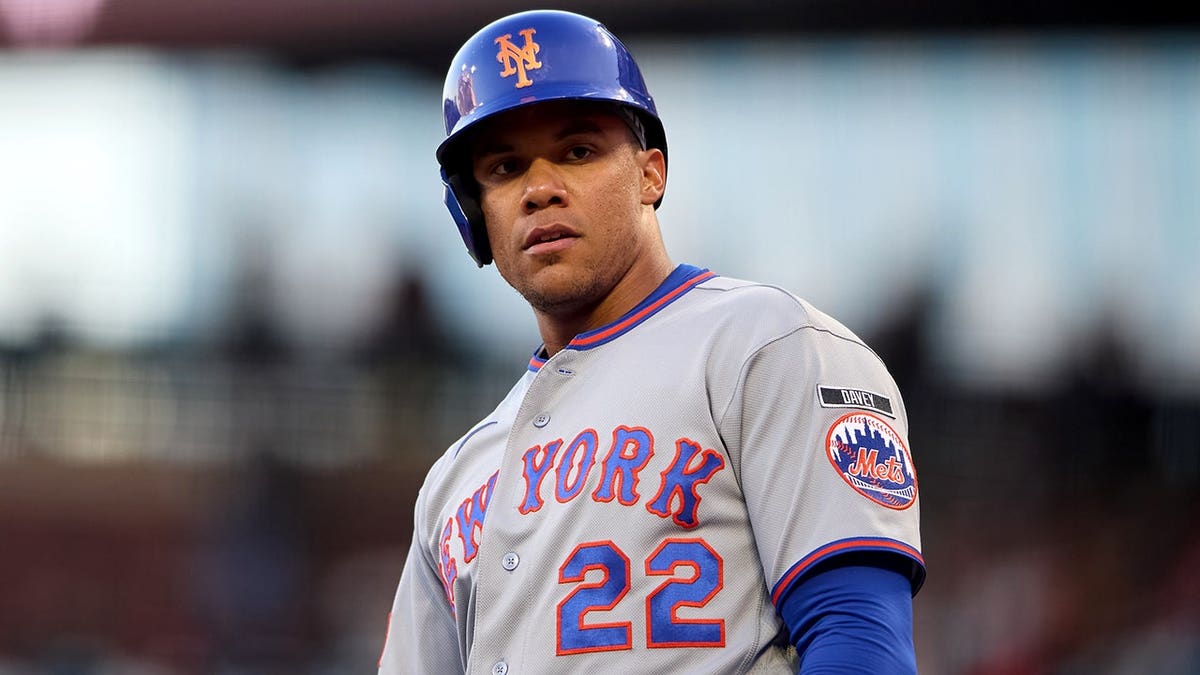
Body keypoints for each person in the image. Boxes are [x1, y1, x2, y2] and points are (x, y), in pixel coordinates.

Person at [378, 9, 924, 674]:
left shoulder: (767, 346)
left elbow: (858, 634)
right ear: (475, 213)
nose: (540, 188)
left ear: (650, 174)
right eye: (505, 167)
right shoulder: (455, 481)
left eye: (577, 151)